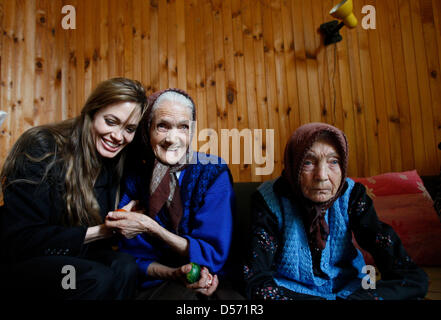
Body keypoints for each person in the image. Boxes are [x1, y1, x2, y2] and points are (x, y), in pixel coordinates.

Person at [242, 122, 428, 300]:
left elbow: (407, 273)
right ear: (293, 164)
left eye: (333, 162)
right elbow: (256, 279)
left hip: (350, 291)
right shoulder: (269, 200)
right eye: (308, 162)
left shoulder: (352, 195)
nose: (321, 176)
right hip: (289, 292)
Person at [0, 77, 148, 300]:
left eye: (129, 128)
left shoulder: (116, 159)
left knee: (124, 266)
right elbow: (22, 240)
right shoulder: (42, 147)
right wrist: (102, 231)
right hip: (22, 264)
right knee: (93, 277)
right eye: (110, 121)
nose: (118, 136)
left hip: (74, 258)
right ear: (91, 112)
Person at [105, 88, 241, 300]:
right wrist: (174, 274)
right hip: (156, 281)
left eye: (183, 127)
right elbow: (131, 255)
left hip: (213, 278)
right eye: (162, 126)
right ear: (147, 129)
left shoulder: (213, 171)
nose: (172, 138)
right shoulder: (136, 177)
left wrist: (151, 228)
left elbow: (212, 254)